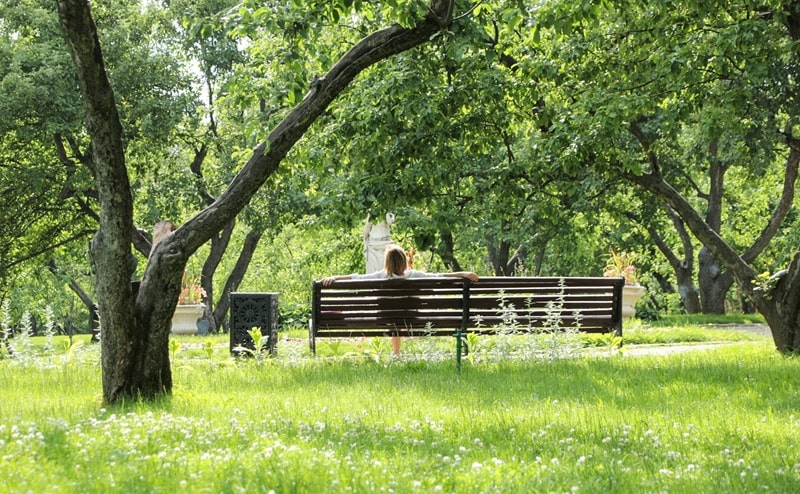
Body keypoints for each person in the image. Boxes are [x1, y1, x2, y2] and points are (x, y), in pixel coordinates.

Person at [319, 244, 479, 354]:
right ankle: (397, 351)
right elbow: (440, 276)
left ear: (387, 262)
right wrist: (464, 273)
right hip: (411, 317)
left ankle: (396, 353)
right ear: (404, 260)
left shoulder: (380, 276)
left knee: (393, 317)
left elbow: (355, 277)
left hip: (386, 318)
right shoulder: (414, 275)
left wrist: (335, 277)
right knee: (401, 314)